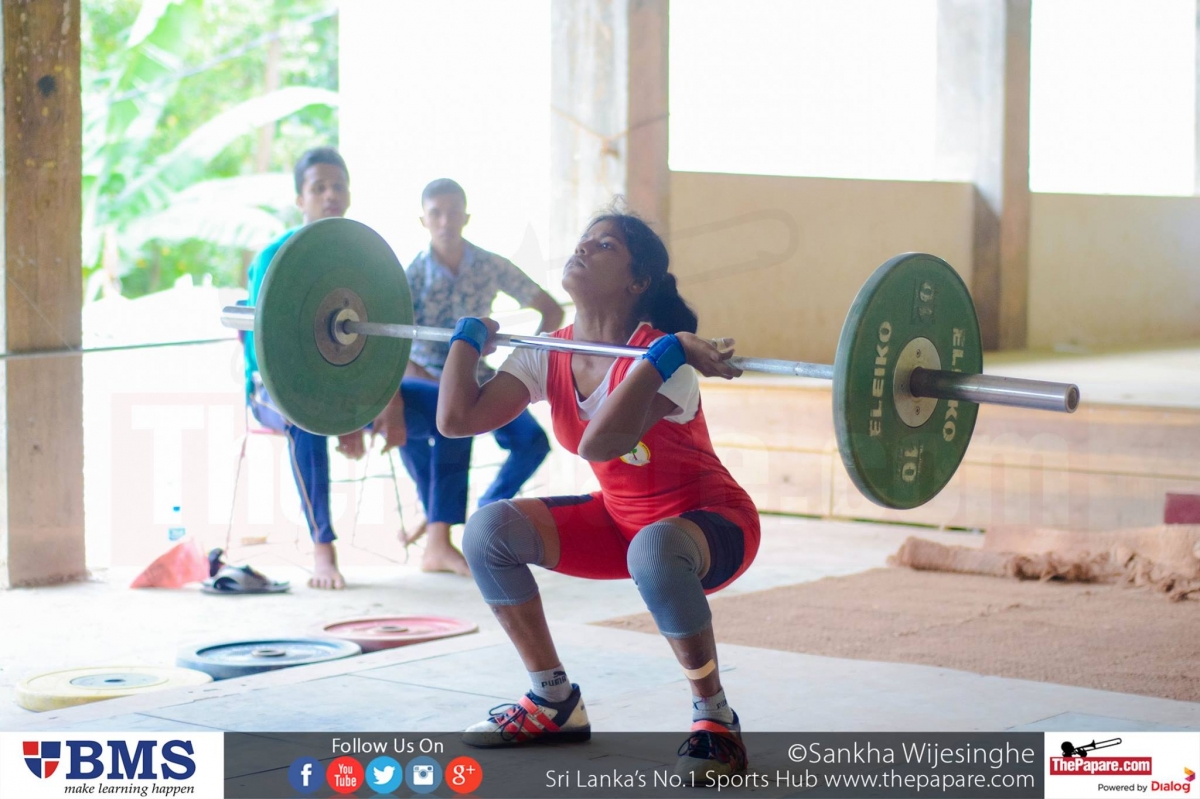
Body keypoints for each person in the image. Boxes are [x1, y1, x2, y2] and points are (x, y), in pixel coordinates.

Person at [436, 209, 759, 780]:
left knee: (655, 551)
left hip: (711, 525)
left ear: (638, 282)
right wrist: (467, 340)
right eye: (582, 240)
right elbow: (457, 419)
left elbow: (599, 442)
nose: (582, 249)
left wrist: (666, 355)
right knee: (488, 532)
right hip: (621, 524)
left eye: (604, 245)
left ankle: (715, 718)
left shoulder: (667, 357)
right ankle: (552, 701)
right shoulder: (548, 351)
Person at [243, 147, 404, 590]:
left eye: (338, 185)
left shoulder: (364, 261)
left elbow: (386, 338)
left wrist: (384, 400)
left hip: (346, 390)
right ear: (300, 199)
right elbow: (272, 355)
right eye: (319, 187)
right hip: (276, 391)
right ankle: (322, 549)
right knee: (306, 423)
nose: (330, 194)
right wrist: (340, 415)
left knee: (437, 408)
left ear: (349, 194)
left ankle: (440, 533)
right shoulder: (272, 259)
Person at [397, 179, 564, 576]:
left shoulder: (489, 264)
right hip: (422, 378)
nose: (445, 221)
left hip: (480, 375)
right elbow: (393, 346)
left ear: (466, 217)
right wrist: (435, 383)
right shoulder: (412, 276)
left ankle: (485, 512)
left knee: (533, 442)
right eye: (436, 213)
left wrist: (526, 360)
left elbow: (550, 310)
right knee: (444, 429)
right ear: (423, 220)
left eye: (454, 212)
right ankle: (438, 526)